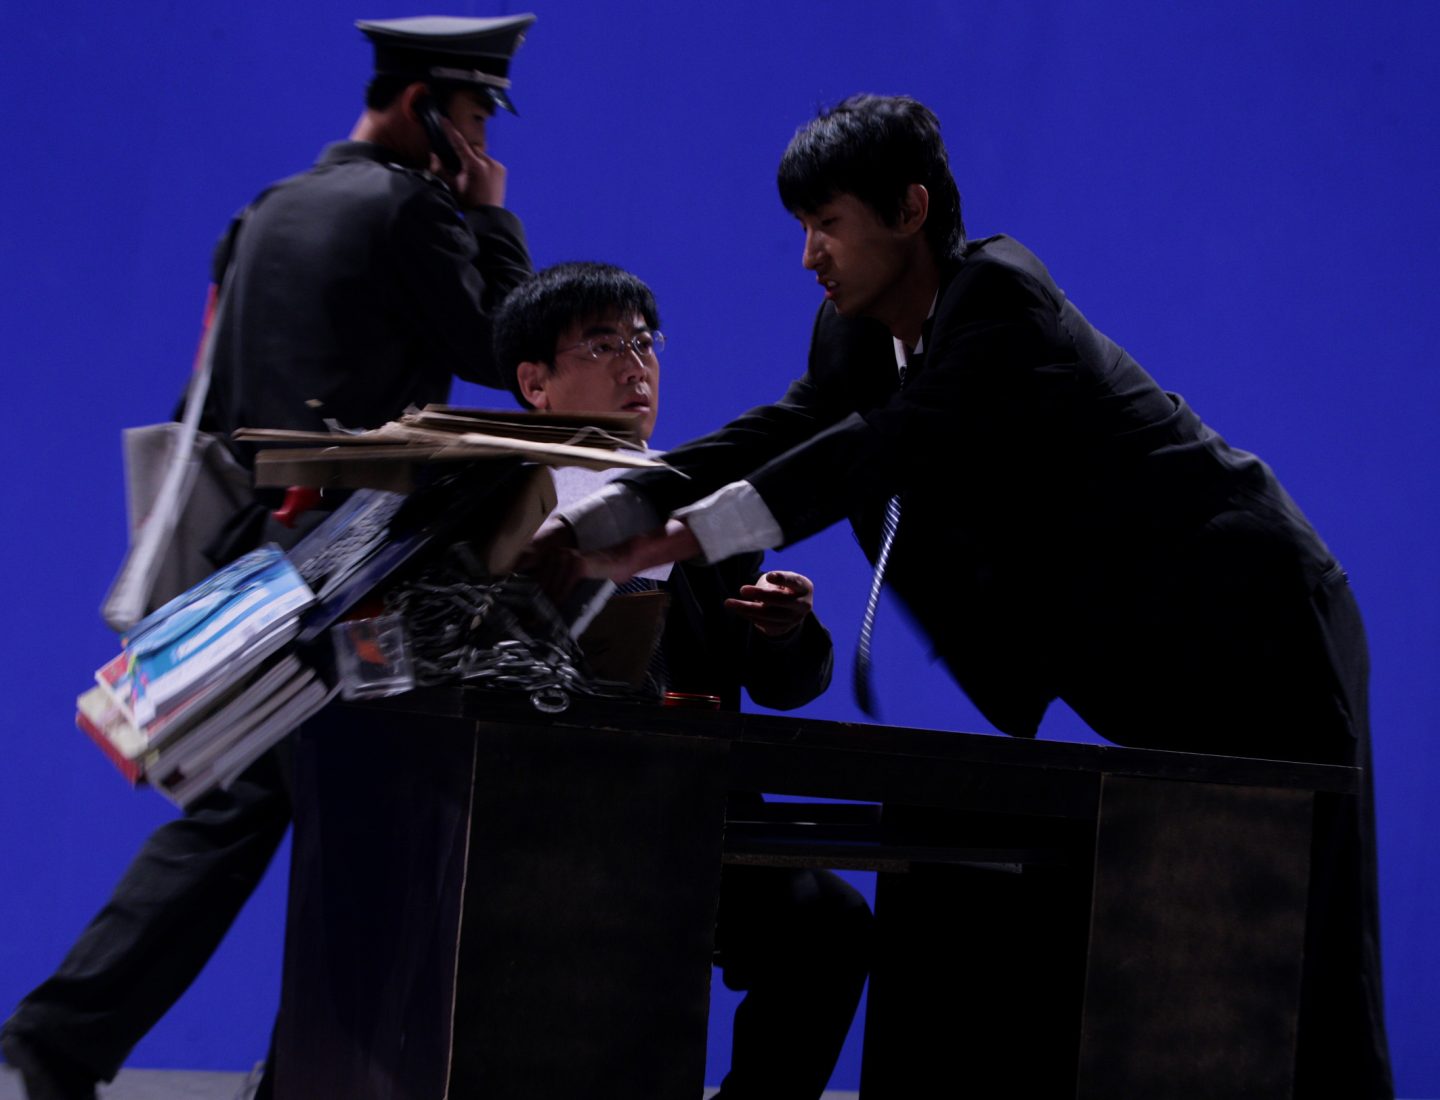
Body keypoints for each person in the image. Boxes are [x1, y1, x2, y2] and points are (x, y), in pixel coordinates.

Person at [534, 95, 1393, 1097]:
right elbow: (782, 432)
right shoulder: (852, 334)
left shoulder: (1001, 298)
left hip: (1253, 617)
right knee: (1182, 905)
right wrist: (613, 503)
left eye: (828, 224)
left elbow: (872, 453)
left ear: (911, 209)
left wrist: (676, 537)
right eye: (801, 228)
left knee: (1305, 925)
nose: (809, 256)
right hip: (1145, 653)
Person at [1, 16, 537, 1100]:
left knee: (241, 810)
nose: (483, 143)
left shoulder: (265, 211)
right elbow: (507, 352)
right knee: (371, 833)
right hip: (361, 572)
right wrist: (491, 217)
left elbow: (207, 395)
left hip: (261, 560)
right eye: (475, 118)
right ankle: (293, 1074)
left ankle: (57, 1043)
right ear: (428, 108)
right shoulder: (413, 210)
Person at [491, 261, 872, 1100]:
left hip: (698, 815)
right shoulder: (492, 503)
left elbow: (786, 688)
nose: (636, 366)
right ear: (534, 383)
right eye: (603, 346)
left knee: (829, 921)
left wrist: (786, 630)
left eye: (644, 343)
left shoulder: (702, 507)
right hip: (541, 815)